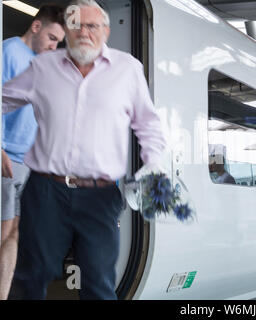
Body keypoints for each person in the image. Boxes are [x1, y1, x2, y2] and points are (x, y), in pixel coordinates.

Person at [2, 0, 166, 299]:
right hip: (45, 191)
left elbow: (149, 125)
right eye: (75, 25)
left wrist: (152, 165)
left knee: (99, 282)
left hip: (100, 196)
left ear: (105, 31)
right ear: (67, 31)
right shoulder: (43, 68)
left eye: (91, 26)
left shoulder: (128, 70)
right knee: (30, 277)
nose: (83, 32)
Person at [0, 4, 65, 300]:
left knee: (14, 235)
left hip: (27, 162)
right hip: (6, 159)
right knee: (2, 233)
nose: (54, 47)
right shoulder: (9, 51)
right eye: (52, 38)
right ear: (36, 27)